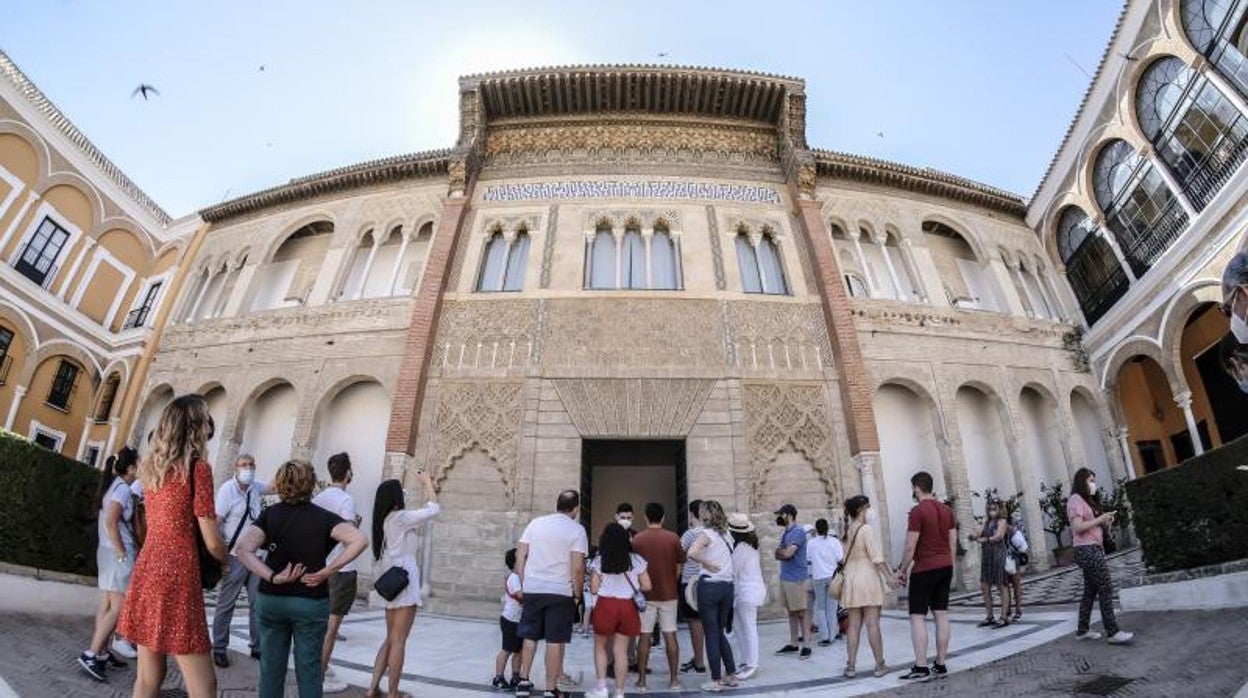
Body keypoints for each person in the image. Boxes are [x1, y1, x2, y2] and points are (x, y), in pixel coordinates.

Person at [117, 394, 228, 698]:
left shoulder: (153, 468)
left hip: (148, 570)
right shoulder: (198, 469)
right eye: (205, 419)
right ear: (195, 425)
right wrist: (225, 557)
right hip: (177, 577)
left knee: (148, 678)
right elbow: (211, 539)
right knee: (204, 686)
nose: (209, 426)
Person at [234, 459, 368, 698]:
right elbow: (360, 540)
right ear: (311, 483)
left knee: (270, 671)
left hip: (272, 599)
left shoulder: (270, 515)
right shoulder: (324, 518)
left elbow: (243, 549)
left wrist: (273, 577)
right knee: (309, 671)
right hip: (310, 600)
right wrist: (328, 570)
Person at [368, 470, 441, 697]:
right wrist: (428, 483)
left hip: (392, 578)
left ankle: (372, 689)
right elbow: (434, 509)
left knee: (390, 639)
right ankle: (393, 693)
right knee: (399, 640)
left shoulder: (385, 519)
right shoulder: (400, 518)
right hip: (405, 579)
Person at [514, 490, 589, 698]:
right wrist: (577, 594)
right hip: (560, 591)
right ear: (576, 509)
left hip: (533, 588)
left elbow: (520, 554)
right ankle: (550, 688)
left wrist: (523, 581)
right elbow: (577, 568)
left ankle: (523, 681)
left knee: (530, 637)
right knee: (554, 641)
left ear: (557, 504)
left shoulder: (536, 523)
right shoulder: (577, 530)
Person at [77, 448, 141, 682]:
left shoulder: (113, 486)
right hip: (117, 555)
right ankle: (91, 654)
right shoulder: (123, 489)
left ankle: (102, 653)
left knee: (106, 606)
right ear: (132, 468)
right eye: (139, 463)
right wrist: (123, 552)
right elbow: (112, 521)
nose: (140, 466)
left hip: (106, 552)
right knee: (118, 609)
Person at [894, 471, 957, 683]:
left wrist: (902, 570)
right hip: (945, 566)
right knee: (941, 614)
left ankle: (921, 666)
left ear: (917, 488)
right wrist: (949, 564)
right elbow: (953, 544)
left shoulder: (917, 511)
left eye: (913, 488)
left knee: (918, 617)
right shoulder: (947, 511)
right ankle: (940, 663)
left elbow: (911, 545)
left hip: (925, 569)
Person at [310, 452, 361, 694]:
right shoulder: (344, 500)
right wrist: (356, 527)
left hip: (320, 566)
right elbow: (351, 537)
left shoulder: (319, 498)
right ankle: (318, 676)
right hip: (340, 569)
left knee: (318, 624)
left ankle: (314, 668)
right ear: (348, 473)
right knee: (331, 627)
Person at [211, 453, 267, 668]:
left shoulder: (254, 488)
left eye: (251, 465)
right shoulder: (228, 490)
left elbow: (273, 487)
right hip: (233, 556)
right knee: (226, 603)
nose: (248, 468)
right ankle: (219, 647)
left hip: (254, 556)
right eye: (244, 465)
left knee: (257, 603)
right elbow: (217, 523)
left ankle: (257, 646)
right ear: (236, 468)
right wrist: (221, 558)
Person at [1068, 467, 1134, 644]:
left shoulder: (1089, 501)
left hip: (1095, 548)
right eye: (1090, 480)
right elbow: (1077, 527)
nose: (1093, 484)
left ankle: (1082, 630)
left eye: (1094, 481)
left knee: (1090, 590)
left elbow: (1099, 531)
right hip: (1085, 549)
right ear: (1082, 481)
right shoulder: (1075, 499)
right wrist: (1100, 518)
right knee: (1105, 587)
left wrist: (1107, 522)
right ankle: (1112, 632)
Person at [587, 522, 650, 698]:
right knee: (620, 651)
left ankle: (601, 688)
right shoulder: (637, 560)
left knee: (600, 646)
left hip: (606, 605)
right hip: (628, 606)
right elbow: (647, 585)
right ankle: (620, 692)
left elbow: (593, 589)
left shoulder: (599, 561)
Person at [686, 500, 739, 692]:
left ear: (705, 515)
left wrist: (706, 563)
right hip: (727, 588)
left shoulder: (706, 534)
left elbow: (691, 552)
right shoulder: (728, 535)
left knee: (711, 633)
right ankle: (731, 674)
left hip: (709, 587)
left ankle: (716, 680)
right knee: (719, 631)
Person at [630, 502, 685, 692]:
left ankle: (642, 681)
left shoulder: (637, 539)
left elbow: (633, 568)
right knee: (670, 634)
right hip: (669, 593)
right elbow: (679, 566)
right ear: (663, 517)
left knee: (644, 636)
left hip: (645, 595)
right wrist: (670, 579)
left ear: (645, 517)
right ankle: (674, 680)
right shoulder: (673, 538)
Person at [838, 496, 892, 679]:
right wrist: (890, 578)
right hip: (867, 579)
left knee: (853, 626)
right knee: (872, 624)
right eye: (868, 507)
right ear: (861, 510)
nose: (870, 510)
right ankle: (880, 665)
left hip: (851, 582)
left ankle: (851, 666)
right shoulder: (866, 529)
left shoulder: (848, 530)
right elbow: (877, 559)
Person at [726, 513, 765, 681]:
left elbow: (732, 570)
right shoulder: (748, 545)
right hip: (743, 592)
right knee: (740, 628)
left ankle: (752, 664)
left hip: (747, 592)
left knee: (748, 628)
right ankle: (745, 660)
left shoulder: (742, 547)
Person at [772, 503, 810, 660]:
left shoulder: (798, 532)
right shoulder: (786, 533)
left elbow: (787, 553)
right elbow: (777, 553)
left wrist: (781, 553)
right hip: (786, 577)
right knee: (792, 612)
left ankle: (806, 645)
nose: (779, 517)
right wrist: (781, 553)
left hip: (797, 578)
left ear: (788, 515)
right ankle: (794, 643)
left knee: (801, 612)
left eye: (781, 514)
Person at [678, 499, 707, 675]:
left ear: (691, 514)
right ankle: (700, 658)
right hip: (707, 580)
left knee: (694, 622)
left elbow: (679, 555)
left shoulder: (690, 534)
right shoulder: (711, 533)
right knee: (704, 622)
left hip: (690, 583)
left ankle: (699, 662)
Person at [806, 517, 844, 647]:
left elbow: (808, 559)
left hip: (818, 576)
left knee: (821, 608)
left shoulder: (811, 543)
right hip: (832, 577)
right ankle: (833, 634)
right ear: (827, 528)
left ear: (816, 529)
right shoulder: (834, 542)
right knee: (832, 607)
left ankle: (824, 636)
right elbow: (840, 558)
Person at [973, 501, 1010, 629]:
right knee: (985, 586)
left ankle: (1004, 617)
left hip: (999, 555)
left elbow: (999, 536)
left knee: (1001, 585)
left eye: (994, 508)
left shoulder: (1002, 521)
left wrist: (986, 539)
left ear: (999, 509)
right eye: (989, 509)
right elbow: (979, 532)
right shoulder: (987, 522)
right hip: (987, 556)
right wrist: (974, 535)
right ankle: (990, 616)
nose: (991, 511)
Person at [492, 548, 524, 691]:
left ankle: (515, 677)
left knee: (519, 650)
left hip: (519, 620)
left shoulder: (521, 577)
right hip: (510, 620)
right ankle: (498, 677)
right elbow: (521, 595)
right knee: (507, 649)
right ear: (515, 563)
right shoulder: (515, 578)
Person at [1004, 512, 1027, 622]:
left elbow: (1021, 545)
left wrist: (1010, 530)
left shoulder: (1012, 526)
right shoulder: (994, 525)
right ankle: (1007, 608)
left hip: (1013, 558)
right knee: (1005, 586)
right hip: (1001, 559)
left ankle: (1018, 609)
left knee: (1016, 584)